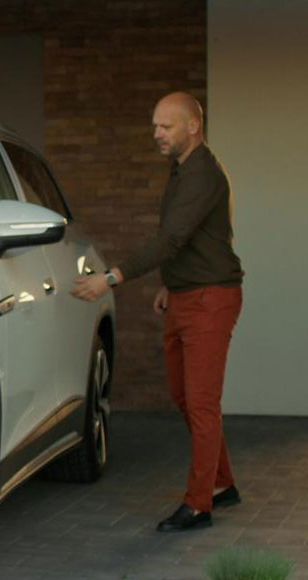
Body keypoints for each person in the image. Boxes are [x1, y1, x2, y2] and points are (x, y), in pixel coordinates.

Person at [70, 91, 244, 532]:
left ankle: (199, 505)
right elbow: (193, 239)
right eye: (154, 126)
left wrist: (111, 278)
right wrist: (171, 283)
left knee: (202, 404)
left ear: (193, 126)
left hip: (210, 300)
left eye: (166, 126)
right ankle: (222, 482)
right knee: (186, 398)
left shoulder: (202, 173)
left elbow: (170, 240)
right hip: (186, 294)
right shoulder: (182, 169)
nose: (157, 134)